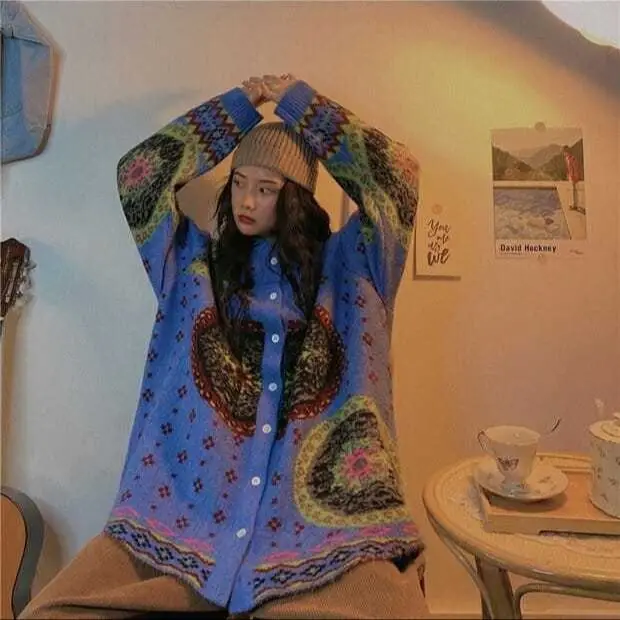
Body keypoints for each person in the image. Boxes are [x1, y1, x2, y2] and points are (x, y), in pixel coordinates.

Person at [20, 74, 427, 619]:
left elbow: (397, 177)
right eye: (239, 182)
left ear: (297, 198)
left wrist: (299, 104)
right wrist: (240, 107)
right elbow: (140, 175)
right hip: (173, 538)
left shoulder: (354, 267)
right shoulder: (193, 266)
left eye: (267, 188)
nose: (246, 200)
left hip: (326, 549)